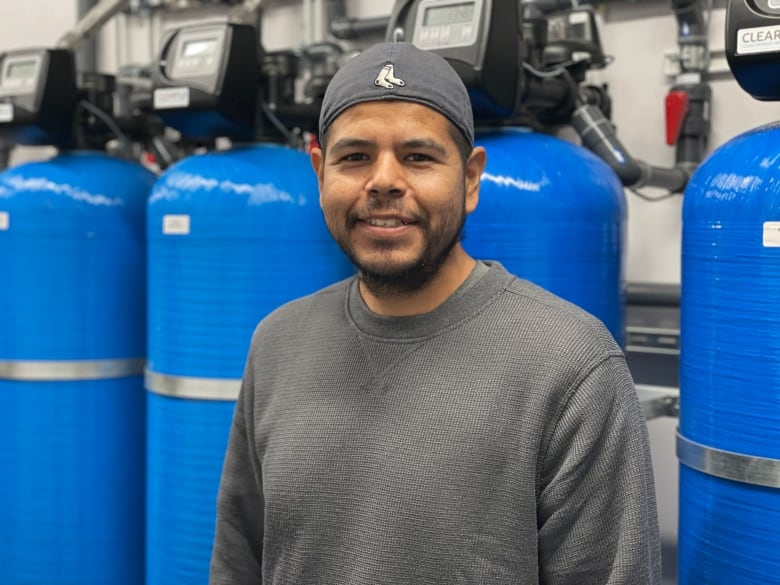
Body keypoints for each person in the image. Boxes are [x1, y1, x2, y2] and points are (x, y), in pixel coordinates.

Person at [209, 41, 661, 585]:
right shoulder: (278, 342)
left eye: (418, 157)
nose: (383, 181)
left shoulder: (569, 365)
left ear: (470, 179)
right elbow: (238, 560)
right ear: (320, 172)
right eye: (355, 157)